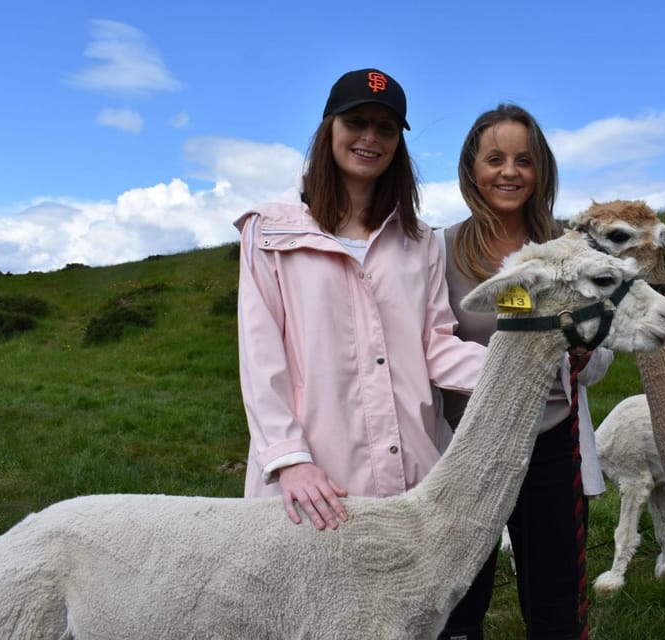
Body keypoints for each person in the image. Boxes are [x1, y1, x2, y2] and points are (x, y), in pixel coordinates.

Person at [233, 68, 486, 530]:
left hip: (415, 470)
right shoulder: (269, 232)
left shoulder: (418, 239)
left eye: (385, 127)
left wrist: (518, 365)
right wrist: (290, 460)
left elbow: (434, 344)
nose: (370, 137)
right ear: (329, 126)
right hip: (314, 482)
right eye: (356, 122)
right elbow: (260, 357)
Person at [439, 104, 612, 639]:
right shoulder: (438, 249)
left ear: (542, 171)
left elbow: (601, 350)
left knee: (556, 599)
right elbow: (429, 341)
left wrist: (585, 353)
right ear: (472, 169)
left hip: (551, 444)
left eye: (524, 160)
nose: (509, 172)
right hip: (466, 447)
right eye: (495, 159)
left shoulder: (572, 249)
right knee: (458, 596)